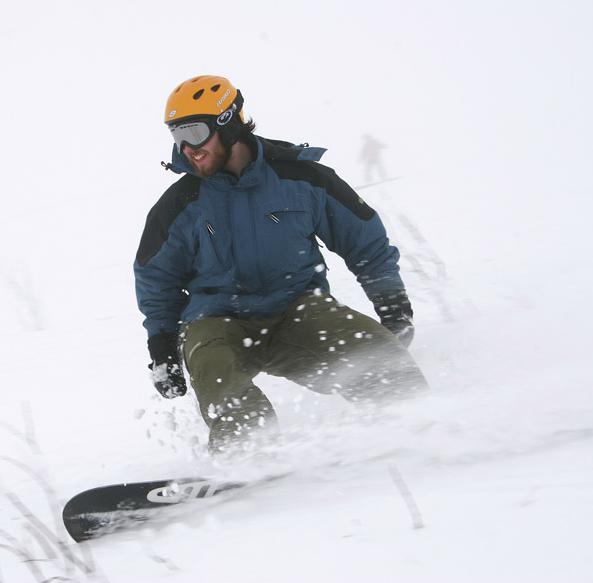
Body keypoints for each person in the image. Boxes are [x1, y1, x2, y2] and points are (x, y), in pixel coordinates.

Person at [134, 75, 428, 456]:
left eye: (194, 132)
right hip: (216, 321)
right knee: (222, 380)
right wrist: (163, 349)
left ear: (229, 122)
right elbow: (156, 280)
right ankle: (250, 461)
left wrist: (391, 303)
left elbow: (365, 242)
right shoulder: (180, 203)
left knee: (379, 359)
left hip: (298, 310)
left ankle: (419, 432)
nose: (188, 148)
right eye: (178, 137)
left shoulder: (303, 180)